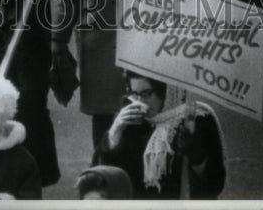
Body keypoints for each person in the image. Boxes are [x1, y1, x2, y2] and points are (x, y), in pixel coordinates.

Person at [72, 0, 174, 151]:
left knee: (143, 114)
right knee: (104, 120)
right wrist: (57, 40)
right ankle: (102, 175)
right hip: (98, 46)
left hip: (141, 44)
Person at [94, 73, 226, 199]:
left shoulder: (197, 119)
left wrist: (196, 156)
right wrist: (115, 132)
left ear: (165, 90)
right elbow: (109, 178)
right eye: (134, 94)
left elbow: (215, 186)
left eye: (146, 94)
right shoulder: (130, 119)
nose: (140, 102)